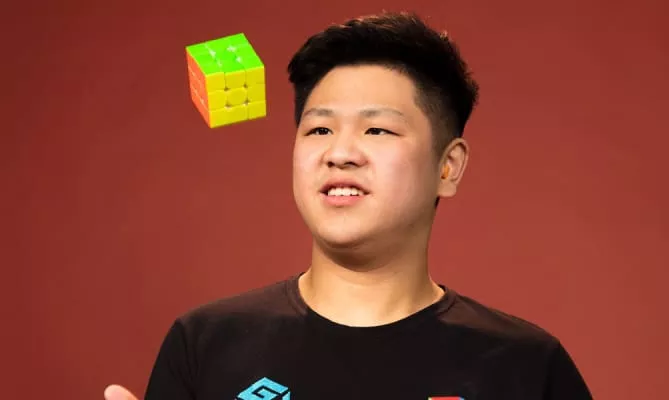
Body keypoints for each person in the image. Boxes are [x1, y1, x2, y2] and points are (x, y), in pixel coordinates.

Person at [105, 11, 593, 400]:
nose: (339, 152)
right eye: (319, 129)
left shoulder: (527, 368)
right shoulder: (205, 344)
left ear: (448, 167)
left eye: (376, 129)